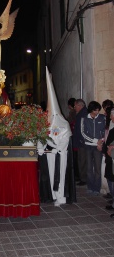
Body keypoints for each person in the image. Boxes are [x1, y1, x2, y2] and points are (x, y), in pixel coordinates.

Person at [37, 67, 76, 206]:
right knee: (51, 174)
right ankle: (53, 195)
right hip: (50, 154)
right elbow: (41, 136)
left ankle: (61, 196)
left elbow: (66, 138)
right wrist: (40, 148)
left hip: (61, 153)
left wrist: (58, 148)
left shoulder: (64, 123)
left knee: (61, 174)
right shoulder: (44, 123)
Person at [81, 101, 106, 195]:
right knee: (89, 168)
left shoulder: (102, 118)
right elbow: (83, 133)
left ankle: (96, 187)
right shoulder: (84, 119)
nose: (98, 111)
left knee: (98, 168)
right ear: (91, 110)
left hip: (98, 146)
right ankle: (90, 187)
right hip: (88, 146)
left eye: (98, 109)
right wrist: (96, 141)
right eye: (96, 110)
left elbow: (104, 131)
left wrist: (101, 141)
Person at [72, 99, 88, 185]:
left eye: (75, 106)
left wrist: (81, 139)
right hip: (80, 140)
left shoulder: (83, 114)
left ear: (79, 106)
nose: (74, 108)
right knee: (81, 160)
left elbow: (83, 129)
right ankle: (82, 177)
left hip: (82, 141)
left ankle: (84, 179)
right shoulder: (81, 113)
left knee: (82, 160)